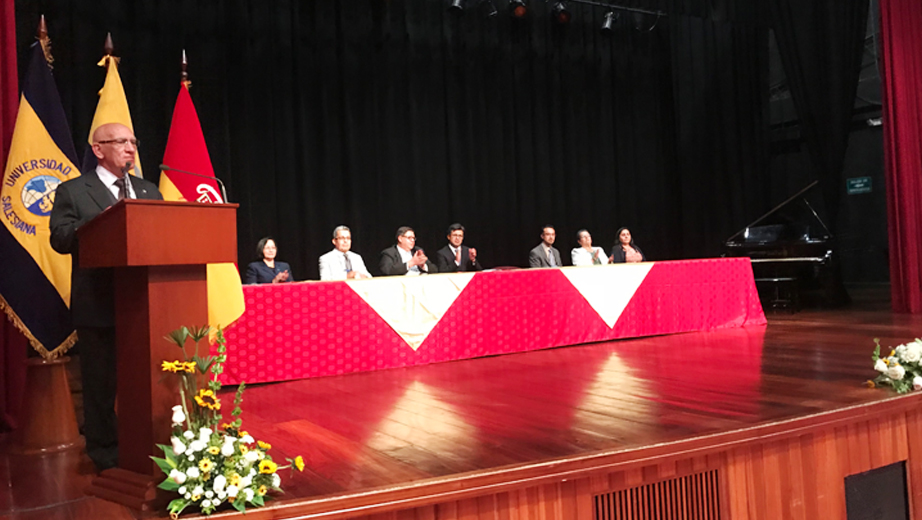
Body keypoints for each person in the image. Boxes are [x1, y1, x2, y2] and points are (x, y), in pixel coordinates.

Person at [49, 122, 163, 471]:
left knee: (146, 383)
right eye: (120, 142)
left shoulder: (148, 191)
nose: (130, 148)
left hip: (144, 304)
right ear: (98, 149)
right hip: (97, 304)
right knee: (101, 385)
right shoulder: (74, 191)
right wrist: (106, 223)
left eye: (133, 141)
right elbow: (61, 239)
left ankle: (150, 445)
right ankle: (105, 454)